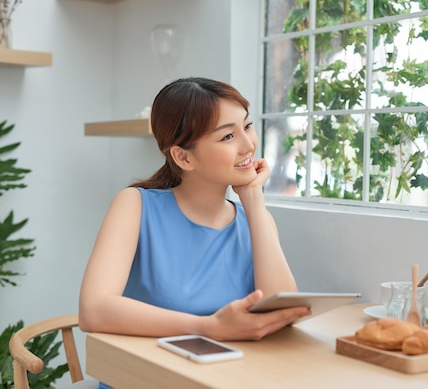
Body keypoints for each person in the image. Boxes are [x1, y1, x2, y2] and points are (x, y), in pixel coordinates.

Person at [79, 78, 311, 382]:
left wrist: (254, 200)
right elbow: (93, 310)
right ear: (183, 157)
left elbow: (282, 314)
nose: (249, 144)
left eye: (247, 126)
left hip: (228, 380)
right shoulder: (135, 205)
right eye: (228, 135)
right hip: (145, 380)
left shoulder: (255, 219)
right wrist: (209, 327)